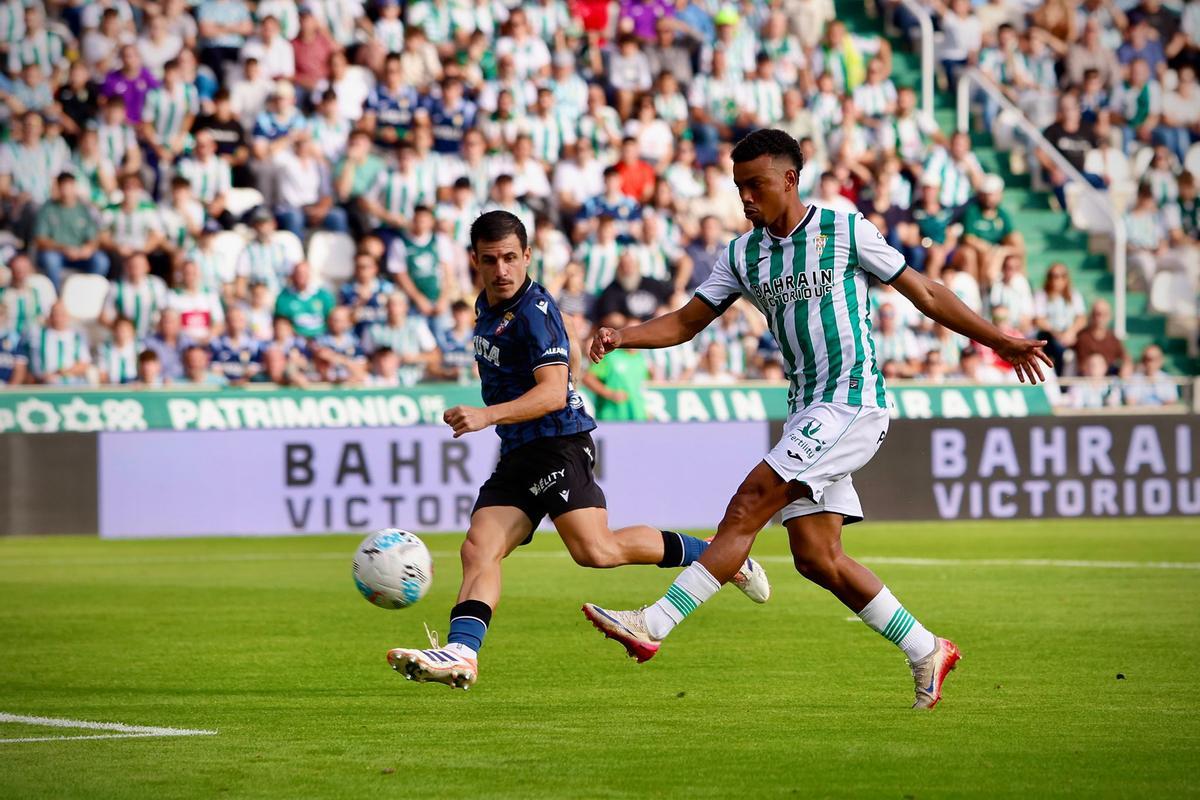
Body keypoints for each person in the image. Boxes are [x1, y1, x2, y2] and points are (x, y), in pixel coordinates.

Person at [581, 130, 1052, 709]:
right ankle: (927, 648)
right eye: (738, 188)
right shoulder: (741, 255)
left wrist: (999, 341)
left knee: (747, 505)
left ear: (789, 179)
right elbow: (684, 323)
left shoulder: (844, 229)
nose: (746, 198)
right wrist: (621, 335)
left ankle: (652, 625)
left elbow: (924, 292)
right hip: (808, 412)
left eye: (756, 185)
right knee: (816, 556)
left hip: (852, 403)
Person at [385, 210, 771, 691]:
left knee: (596, 550)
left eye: (510, 258)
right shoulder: (488, 306)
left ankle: (715, 555)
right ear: (475, 262)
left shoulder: (535, 313)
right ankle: (462, 652)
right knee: (478, 547)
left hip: (556, 444)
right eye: (491, 260)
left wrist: (486, 415)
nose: (502, 269)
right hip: (518, 449)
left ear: (527, 256)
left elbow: (552, 392)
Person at [33, 172, 110, 289]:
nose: (66, 191)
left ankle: (90, 294)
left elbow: (94, 236)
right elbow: (40, 239)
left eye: (69, 186)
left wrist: (88, 248)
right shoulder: (47, 208)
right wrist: (63, 249)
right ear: (58, 188)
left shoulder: (85, 208)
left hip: (80, 254)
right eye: (63, 187)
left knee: (101, 261)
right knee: (50, 260)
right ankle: (56, 298)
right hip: (57, 253)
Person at [582, 311, 649, 420]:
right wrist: (610, 394)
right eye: (631, 330)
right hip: (612, 417)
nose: (634, 335)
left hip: (638, 416)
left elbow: (640, 387)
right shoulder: (611, 356)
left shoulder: (641, 358)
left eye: (638, 330)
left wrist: (646, 410)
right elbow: (587, 379)